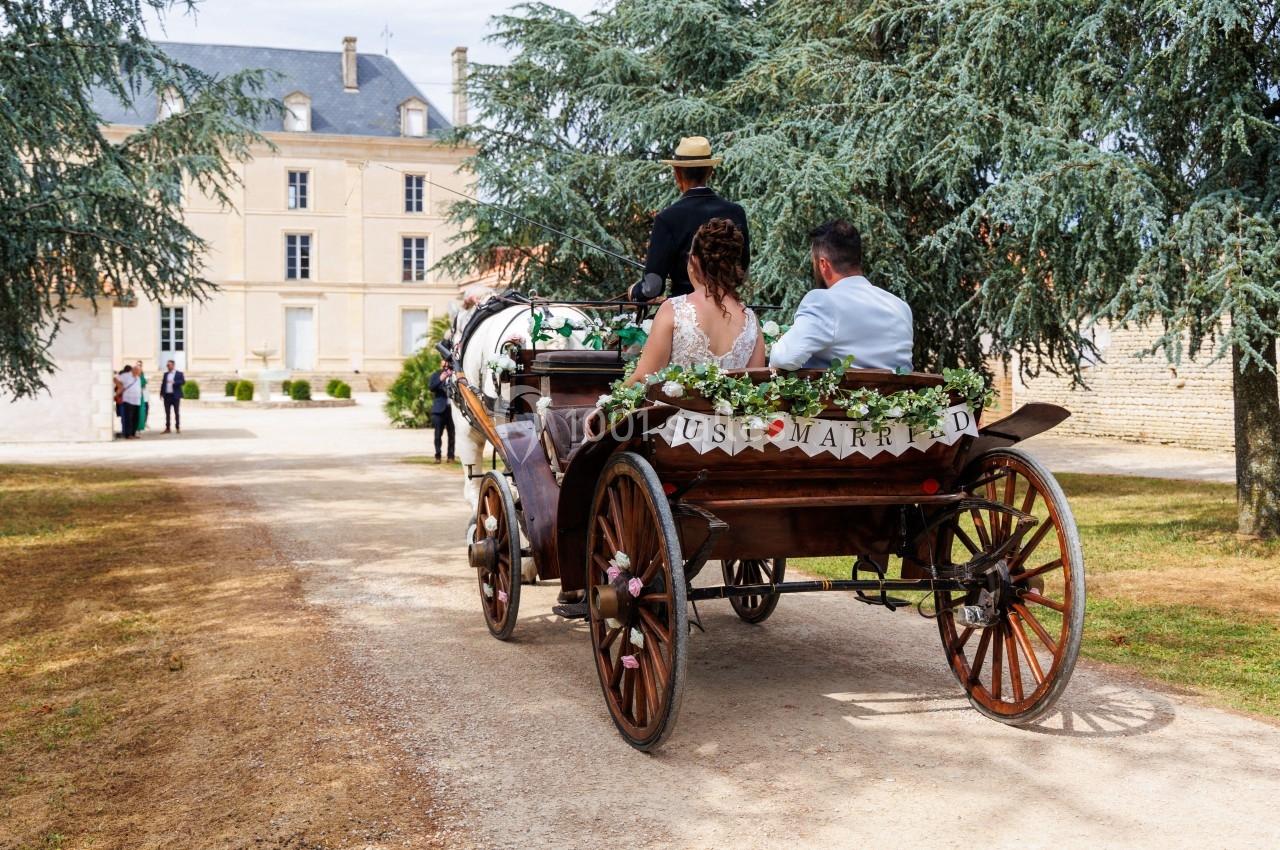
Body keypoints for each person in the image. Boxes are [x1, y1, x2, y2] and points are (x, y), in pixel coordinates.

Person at [628, 218, 765, 382]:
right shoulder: (750, 320)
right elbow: (755, 385)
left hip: (674, 409)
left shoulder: (674, 309)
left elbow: (643, 379)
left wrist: (609, 402)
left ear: (694, 260)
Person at [769, 220, 913, 372]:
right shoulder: (901, 307)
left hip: (837, 396)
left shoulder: (824, 302)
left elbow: (783, 358)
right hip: (899, 394)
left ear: (823, 264)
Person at [629, 136, 751, 302]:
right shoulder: (736, 212)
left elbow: (653, 287)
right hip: (727, 309)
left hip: (686, 313)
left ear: (677, 173)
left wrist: (635, 291)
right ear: (710, 171)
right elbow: (742, 272)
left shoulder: (667, 218)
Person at [428, 368, 455, 463]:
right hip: (439, 410)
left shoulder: (455, 374)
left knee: (452, 435)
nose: (446, 363)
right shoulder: (437, 374)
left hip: (452, 410)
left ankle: (451, 456)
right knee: (438, 435)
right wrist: (441, 378)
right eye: (444, 361)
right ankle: (438, 456)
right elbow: (431, 388)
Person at [159, 360, 186, 433]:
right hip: (167, 396)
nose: (168, 366)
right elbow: (163, 384)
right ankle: (167, 428)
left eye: (169, 365)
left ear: (173, 365)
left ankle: (177, 427)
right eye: (167, 365)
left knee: (176, 412)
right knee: (167, 412)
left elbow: (183, 382)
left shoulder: (179, 374)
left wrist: (175, 382)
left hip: (175, 396)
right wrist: (161, 393)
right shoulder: (165, 374)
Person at [118, 365, 142, 439]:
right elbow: (115, 378)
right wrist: (120, 386)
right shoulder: (126, 375)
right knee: (128, 418)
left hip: (137, 401)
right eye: (138, 371)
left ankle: (133, 433)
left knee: (135, 418)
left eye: (139, 371)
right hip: (128, 400)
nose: (139, 372)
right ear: (134, 370)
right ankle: (128, 434)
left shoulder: (138, 378)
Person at [134, 360, 149, 433]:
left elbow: (144, 384)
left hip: (141, 395)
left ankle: (140, 426)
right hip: (134, 395)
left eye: (140, 365)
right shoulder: (133, 374)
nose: (139, 366)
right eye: (137, 365)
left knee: (141, 411)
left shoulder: (142, 374)